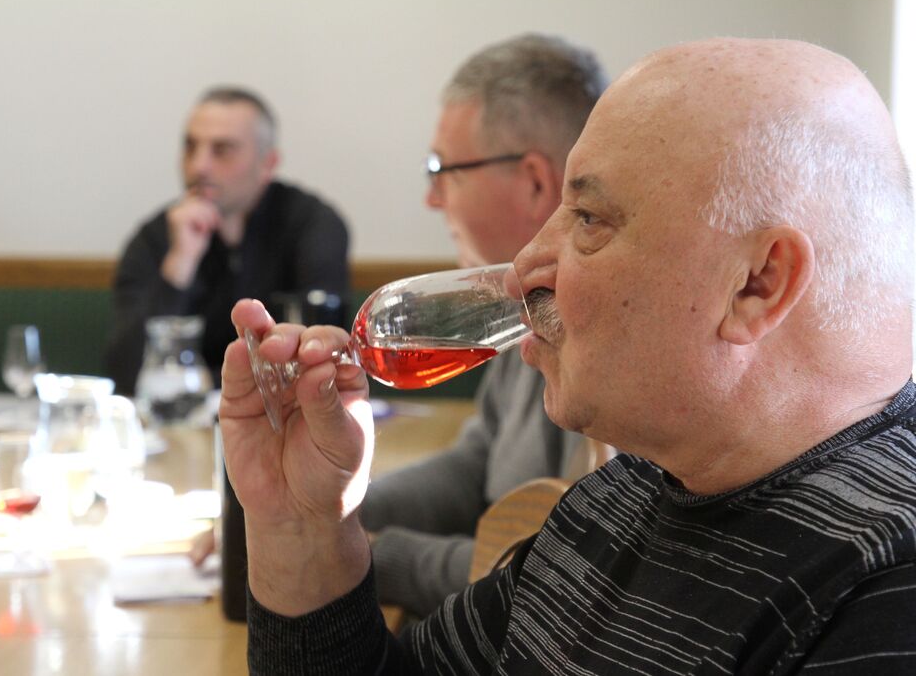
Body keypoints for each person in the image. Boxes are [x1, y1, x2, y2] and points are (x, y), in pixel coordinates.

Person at [220, 36, 916, 674]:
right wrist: (304, 528)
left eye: (588, 219)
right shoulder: (617, 499)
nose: (523, 266)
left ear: (757, 283)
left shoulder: (886, 592)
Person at [359, 33, 609, 617]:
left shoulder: (601, 340)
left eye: (442, 169)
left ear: (534, 182)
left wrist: (368, 558)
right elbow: (476, 468)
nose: (432, 199)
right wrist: (327, 517)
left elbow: (556, 569)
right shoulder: (523, 307)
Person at [104, 86, 350, 396]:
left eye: (222, 150)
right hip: (180, 423)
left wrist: (196, 380)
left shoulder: (312, 225)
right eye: (190, 147)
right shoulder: (156, 237)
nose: (198, 166)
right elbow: (126, 374)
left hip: (280, 418)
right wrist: (179, 265)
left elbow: (316, 361)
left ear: (267, 164)